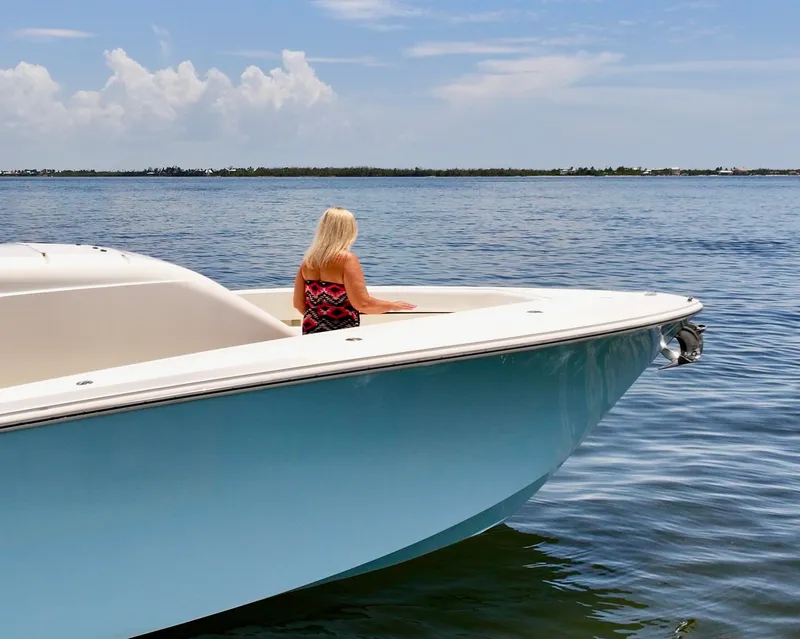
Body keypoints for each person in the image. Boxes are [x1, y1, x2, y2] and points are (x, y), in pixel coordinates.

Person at [293, 207, 416, 335]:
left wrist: (319, 318)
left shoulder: (308, 262)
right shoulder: (347, 260)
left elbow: (298, 304)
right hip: (341, 332)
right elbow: (362, 304)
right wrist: (392, 305)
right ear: (348, 230)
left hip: (310, 331)